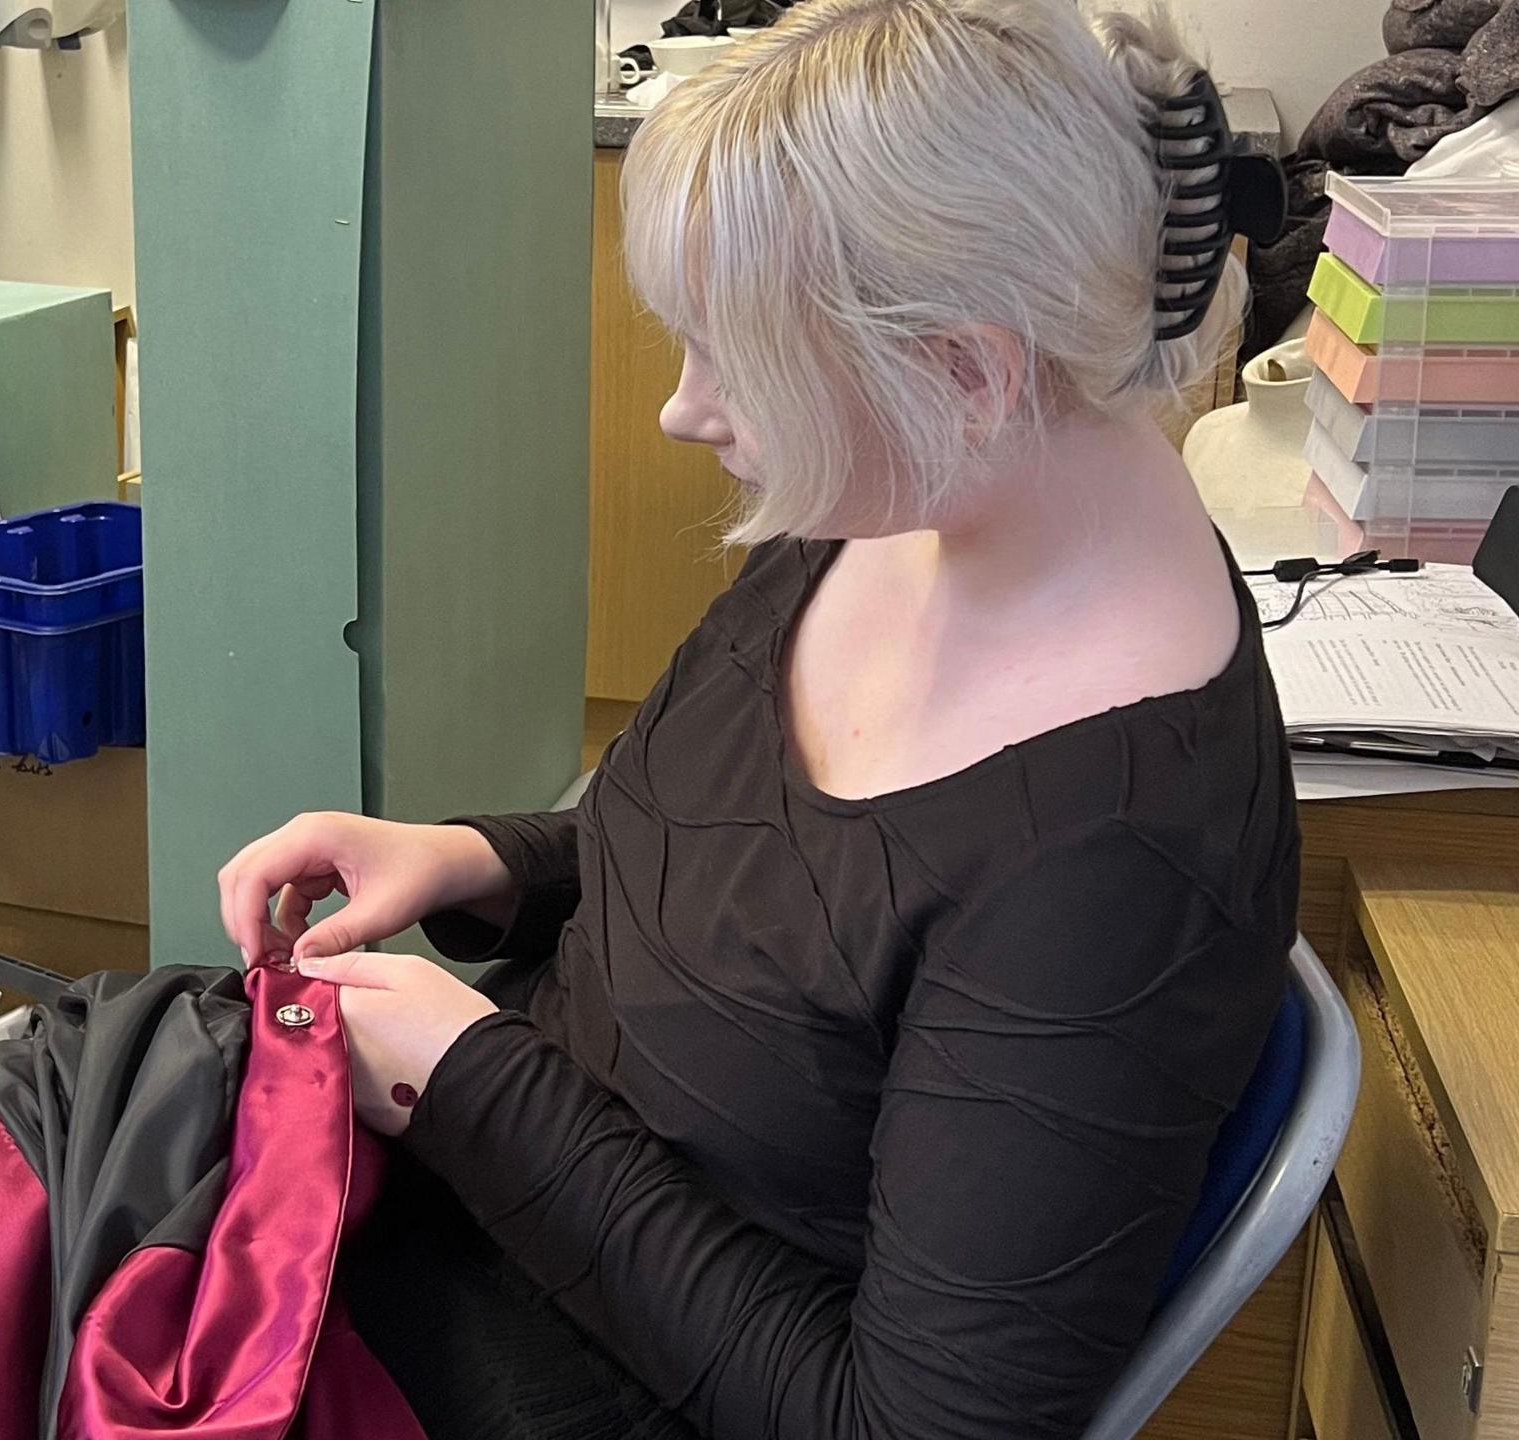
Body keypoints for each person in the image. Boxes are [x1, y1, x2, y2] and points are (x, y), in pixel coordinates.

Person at [215, 3, 1301, 1438]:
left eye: (736, 357)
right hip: (453, 1211)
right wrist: (483, 857)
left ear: (969, 371)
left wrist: (473, 1087)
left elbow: (900, 1426)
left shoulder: (1114, 866)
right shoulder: (912, 495)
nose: (685, 410)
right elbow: (757, 892)